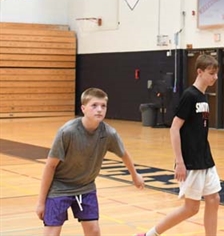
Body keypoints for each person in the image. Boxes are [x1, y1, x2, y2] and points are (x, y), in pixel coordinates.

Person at [36, 87, 145, 236]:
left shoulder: (109, 133)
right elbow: (50, 166)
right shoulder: (67, 132)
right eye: (94, 105)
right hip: (59, 188)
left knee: (93, 231)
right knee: (52, 232)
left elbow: (124, 154)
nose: (99, 110)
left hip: (85, 188)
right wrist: (41, 202)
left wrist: (135, 175)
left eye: (103, 106)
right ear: (83, 108)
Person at [136, 54, 221, 236]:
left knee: (214, 199)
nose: (215, 77)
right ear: (199, 72)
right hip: (190, 160)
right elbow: (174, 129)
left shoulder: (204, 97)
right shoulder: (189, 96)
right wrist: (180, 161)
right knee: (191, 208)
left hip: (205, 158)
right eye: (211, 73)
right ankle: (150, 234)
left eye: (216, 73)